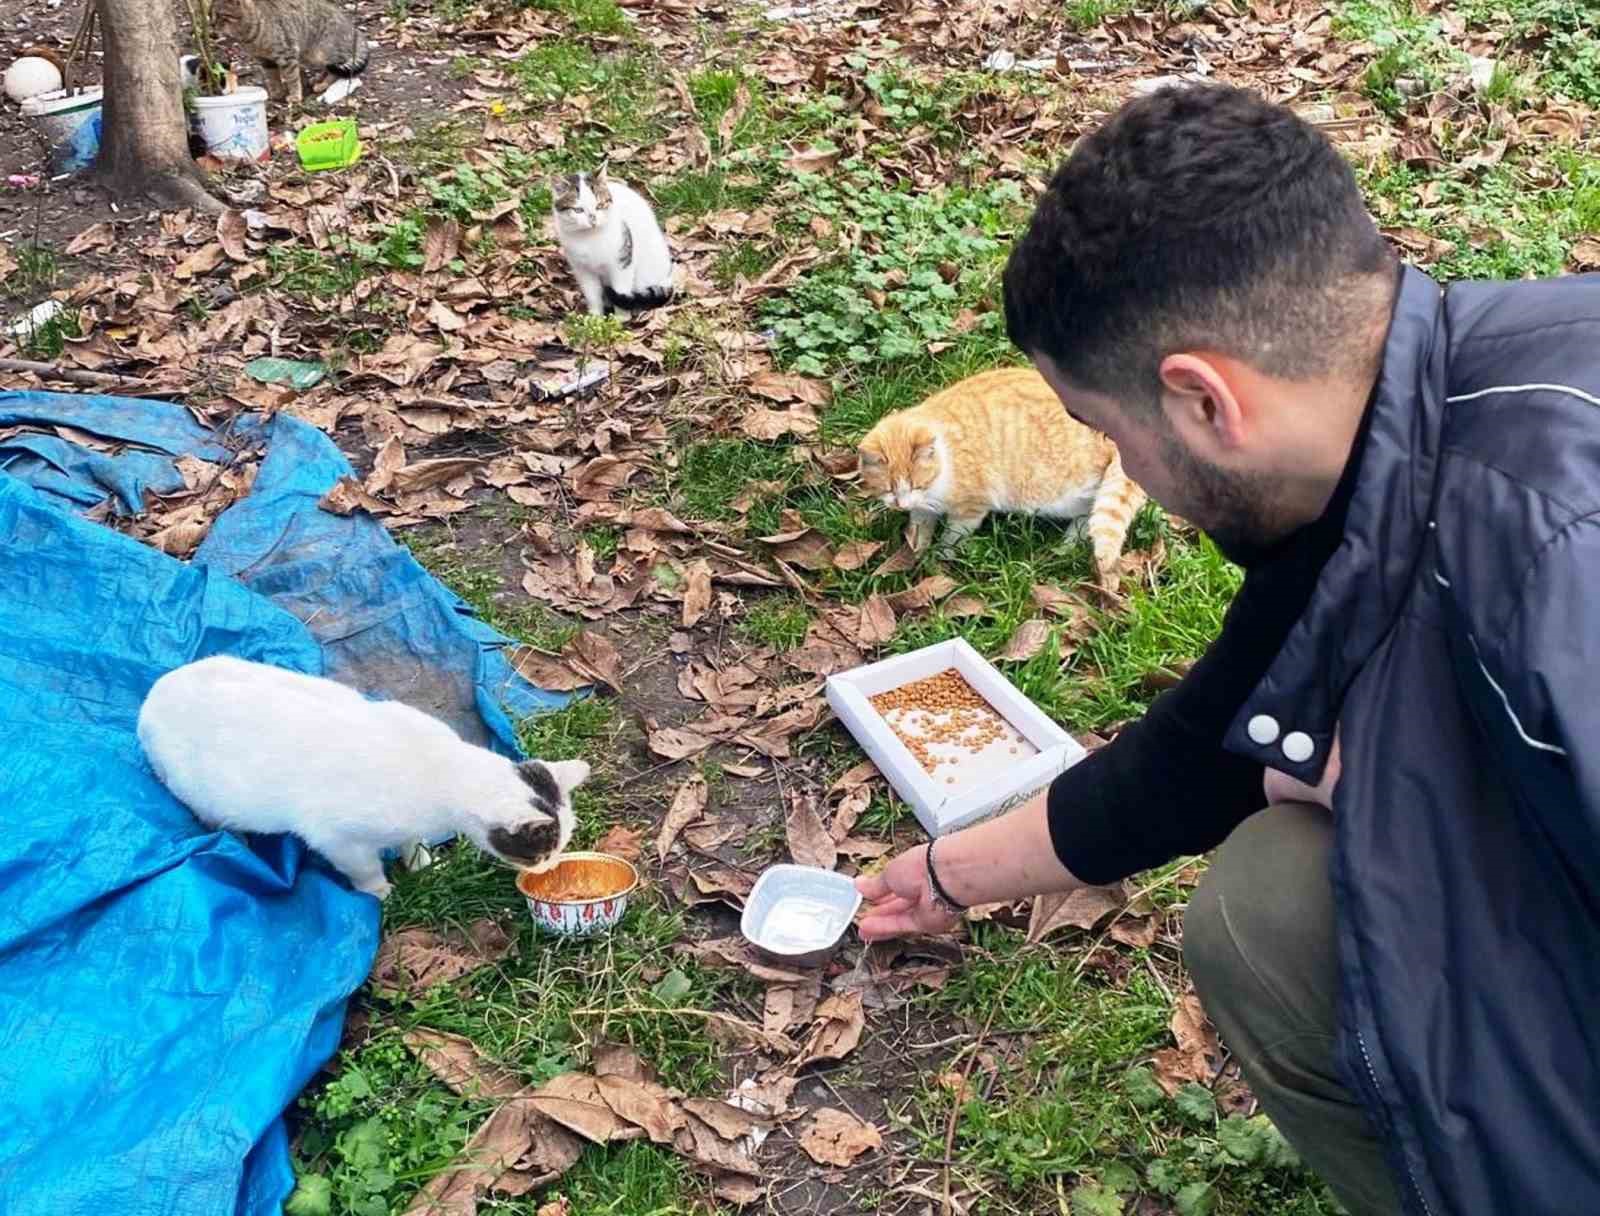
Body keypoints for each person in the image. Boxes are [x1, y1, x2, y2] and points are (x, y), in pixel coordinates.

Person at [854, 83, 1600, 1216]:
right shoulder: (1395, 420)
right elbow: (1208, 743)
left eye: (1109, 434)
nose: (1126, 472)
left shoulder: (1550, 570)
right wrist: (946, 875)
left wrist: (1409, 793)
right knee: (1268, 894)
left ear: (1203, 401)